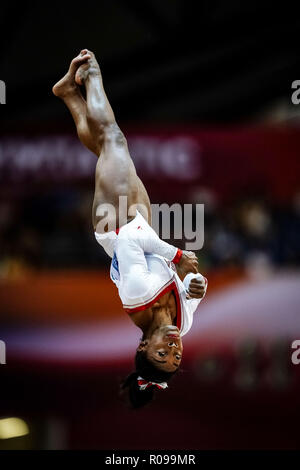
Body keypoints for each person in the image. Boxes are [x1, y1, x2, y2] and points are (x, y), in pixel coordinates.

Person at [53, 49, 208, 408]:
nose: (173, 350)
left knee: (114, 140)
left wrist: (181, 255)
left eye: (160, 355)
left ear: (143, 346)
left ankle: (91, 74)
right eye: (177, 358)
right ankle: (67, 95)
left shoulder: (136, 296)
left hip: (115, 222)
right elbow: (193, 293)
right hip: (141, 221)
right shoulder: (182, 325)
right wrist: (197, 286)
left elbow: (131, 239)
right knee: (106, 148)